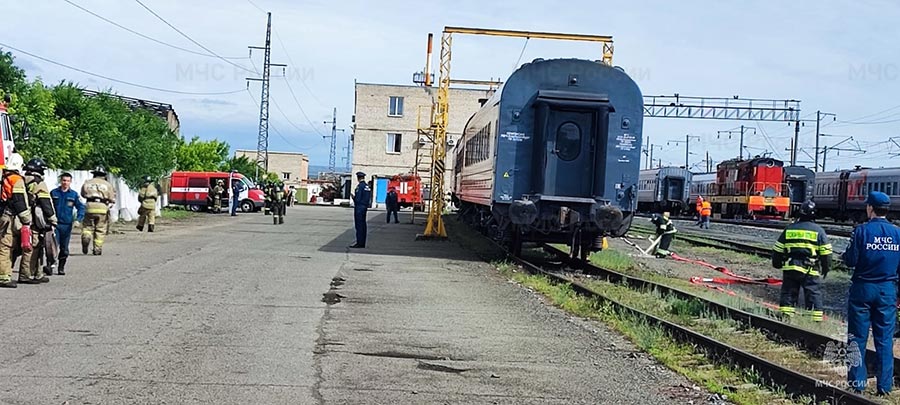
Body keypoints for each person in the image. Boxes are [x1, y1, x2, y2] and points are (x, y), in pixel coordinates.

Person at [842, 191, 900, 395]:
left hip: (863, 289)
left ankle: (857, 384)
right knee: (884, 339)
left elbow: (850, 260)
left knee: (856, 337)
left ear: (870, 208)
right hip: (887, 290)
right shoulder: (897, 233)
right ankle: (884, 387)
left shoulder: (861, 231)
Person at [772, 200, 831, 322]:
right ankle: (815, 321)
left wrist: (777, 264)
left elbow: (777, 249)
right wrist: (825, 268)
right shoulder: (819, 231)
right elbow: (826, 253)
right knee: (813, 294)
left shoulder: (789, 229)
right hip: (811, 270)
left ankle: (786, 318)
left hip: (791, 268)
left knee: (788, 292)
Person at [19, 158, 57, 284]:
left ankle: (38, 273)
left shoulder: (22, 180)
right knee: (33, 247)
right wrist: (52, 218)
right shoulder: (39, 183)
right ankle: (26, 275)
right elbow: (45, 203)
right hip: (34, 220)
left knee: (35, 246)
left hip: (21, 217)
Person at [0, 153, 32, 288]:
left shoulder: (4, 177)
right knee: (6, 246)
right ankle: (3, 277)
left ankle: (5, 274)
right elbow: (19, 201)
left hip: (4, 215)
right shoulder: (16, 180)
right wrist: (26, 219)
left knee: (6, 245)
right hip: (10, 217)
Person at [51, 172, 85, 275]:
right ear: (61, 181)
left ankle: (61, 268)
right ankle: (50, 265)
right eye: (64, 180)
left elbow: (81, 207)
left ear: (70, 182)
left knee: (64, 249)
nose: (65, 183)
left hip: (67, 225)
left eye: (68, 181)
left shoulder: (73, 195)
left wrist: (78, 219)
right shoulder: (53, 193)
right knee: (52, 246)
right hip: (55, 224)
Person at [81, 166, 116, 256]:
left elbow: (83, 194)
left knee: (87, 226)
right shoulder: (107, 184)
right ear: (104, 175)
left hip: (89, 207)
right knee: (100, 229)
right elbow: (112, 198)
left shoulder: (87, 183)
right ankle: (97, 249)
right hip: (102, 207)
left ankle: (86, 236)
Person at [349, 172, 371, 248]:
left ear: (358, 178)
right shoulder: (367, 186)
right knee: (363, 225)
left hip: (359, 207)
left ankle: (359, 243)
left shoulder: (360, 186)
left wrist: (353, 197)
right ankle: (362, 242)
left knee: (359, 225)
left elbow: (358, 199)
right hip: (365, 207)